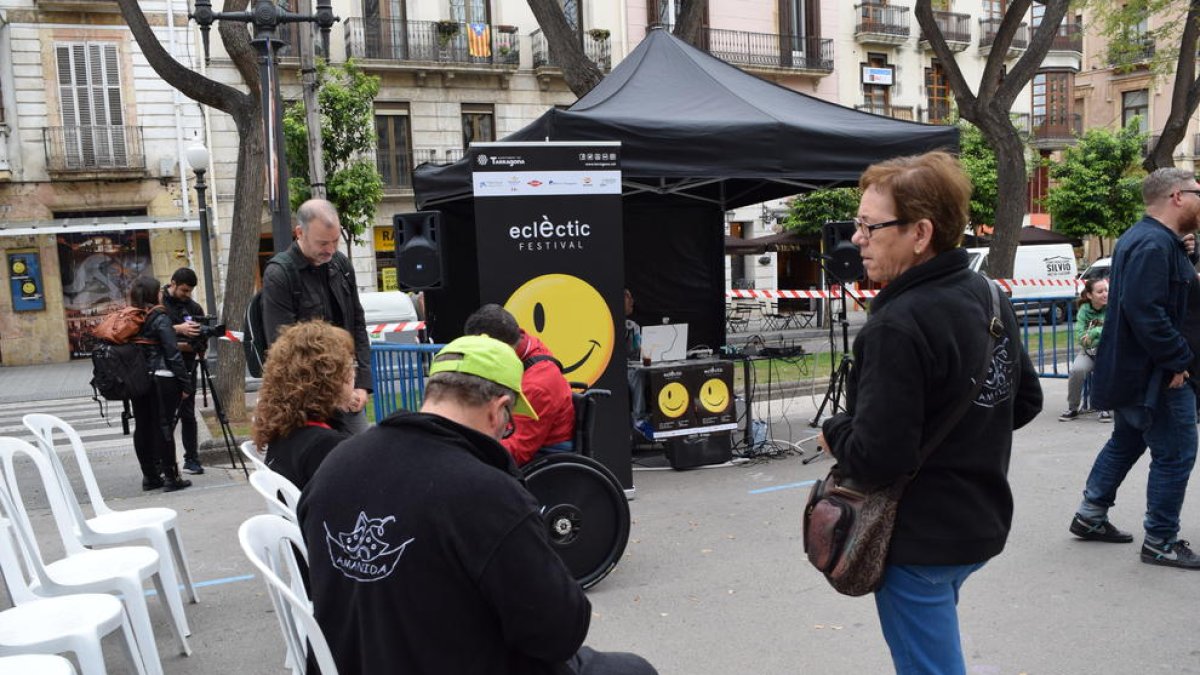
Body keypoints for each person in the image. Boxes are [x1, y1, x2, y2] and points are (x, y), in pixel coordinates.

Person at [297, 335, 657, 675]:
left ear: (433, 392)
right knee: (634, 669)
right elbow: (559, 633)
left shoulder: (336, 462)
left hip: (354, 661)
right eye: (509, 423)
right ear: (498, 410)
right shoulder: (487, 494)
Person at [816, 151, 1043, 674]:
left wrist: (834, 429)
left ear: (920, 233)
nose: (857, 239)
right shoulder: (987, 293)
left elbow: (877, 458)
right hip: (977, 520)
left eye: (870, 226)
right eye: (857, 224)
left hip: (919, 537)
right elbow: (1023, 399)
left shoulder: (898, 324)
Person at [1070, 167, 1200, 570]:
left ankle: (1090, 515)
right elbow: (1147, 311)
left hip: (1136, 371)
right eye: (1198, 193)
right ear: (1177, 197)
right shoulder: (1153, 244)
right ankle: (1160, 540)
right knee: (1176, 453)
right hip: (1156, 375)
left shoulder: (1151, 239)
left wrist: (1186, 253)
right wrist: (1178, 359)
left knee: (1127, 441)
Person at [262, 198, 372, 434]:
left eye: (335, 241)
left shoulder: (341, 265)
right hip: (305, 400)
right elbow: (284, 349)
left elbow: (357, 323)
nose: (330, 250)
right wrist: (333, 394)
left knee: (362, 451)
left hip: (346, 390)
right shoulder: (280, 274)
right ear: (299, 233)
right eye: (322, 243)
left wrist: (362, 385)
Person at [463, 304, 575, 467]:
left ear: (496, 347)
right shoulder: (524, 343)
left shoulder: (537, 385)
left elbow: (517, 450)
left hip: (545, 458)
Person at [252, 321, 355, 489]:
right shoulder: (325, 445)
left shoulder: (286, 428)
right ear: (330, 378)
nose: (354, 374)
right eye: (350, 365)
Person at [128, 275, 195, 492]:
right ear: (153, 294)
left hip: (138, 379)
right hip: (161, 378)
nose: (160, 294)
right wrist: (185, 384)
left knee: (142, 426)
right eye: (158, 291)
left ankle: (150, 476)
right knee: (163, 426)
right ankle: (171, 477)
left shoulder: (132, 316)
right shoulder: (159, 316)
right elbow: (172, 353)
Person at [160, 268, 206, 474]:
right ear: (173, 283)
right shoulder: (159, 303)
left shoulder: (194, 307)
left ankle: (192, 458)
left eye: (190, 291)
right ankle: (164, 463)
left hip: (188, 366)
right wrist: (178, 330)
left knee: (188, 413)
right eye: (184, 290)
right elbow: (152, 332)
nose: (187, 295)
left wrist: (196, 343)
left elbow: (201, 340)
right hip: (164, 368)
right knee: (165, 416)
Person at [1060, 278, 1111, 422]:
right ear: (1089, 295)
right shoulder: (1084, 310)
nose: (1105, 294)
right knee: (1076, 370)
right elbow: (1081, 337)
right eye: (1100, 291)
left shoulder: (1112, 307)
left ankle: (1104, 407)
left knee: (1105, 371)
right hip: (1089, 352)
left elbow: (1112, 330)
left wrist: (1094, 332)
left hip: (1108, 352)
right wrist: (1098, 336)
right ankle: (1073, 408)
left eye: (1106, 290)